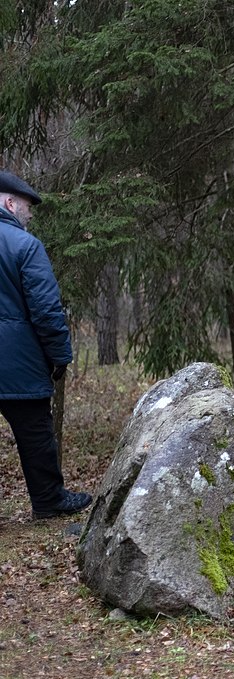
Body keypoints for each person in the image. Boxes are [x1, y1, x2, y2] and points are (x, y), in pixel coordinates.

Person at [0, 170, 92, 519]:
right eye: (26, 207)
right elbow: (46, 310)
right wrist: (59, 357)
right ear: (9, 203)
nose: (30, 214)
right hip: (19, 364)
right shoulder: (25, 246)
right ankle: (49, 500)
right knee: (36, 434)